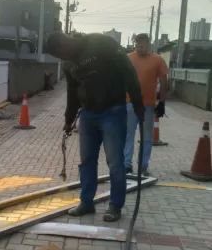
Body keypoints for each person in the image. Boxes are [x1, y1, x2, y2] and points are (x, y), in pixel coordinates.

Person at [46, 33, 144, 221]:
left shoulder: (101, 42)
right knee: (87, 161)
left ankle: (115, 205)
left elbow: (128, 71)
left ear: (65, 43)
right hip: (88, 115)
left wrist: (138, 104)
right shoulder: (69, 64)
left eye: (60, 53)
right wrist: (69, 119)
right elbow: (72, 93)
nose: (62, 58)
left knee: (115, 162)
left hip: (113, 111)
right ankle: (86, 202)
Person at [124, 33, 168, 176]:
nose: (140, 46)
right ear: (135, 44)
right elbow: (120, 79)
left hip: (148, 105)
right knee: (128, 135)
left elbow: (164, 81)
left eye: (143, 43)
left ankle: (143, 166)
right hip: (129, 103)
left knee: (147, 137)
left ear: (148, 43)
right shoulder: (128, 59)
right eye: (138, 43)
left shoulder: (158, 60)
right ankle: (126, 165)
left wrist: (161, 102)